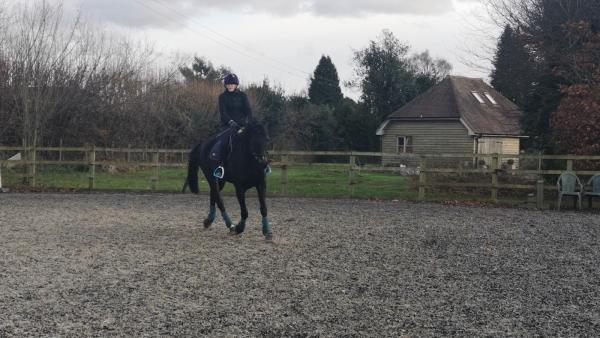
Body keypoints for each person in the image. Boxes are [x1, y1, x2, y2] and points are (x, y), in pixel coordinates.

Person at [211, 73, 252, 178]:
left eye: (232, 84)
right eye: (228, 84)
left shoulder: (243, 96)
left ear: (236, 85)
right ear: (225, 85)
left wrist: (246, 121)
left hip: (242, 125)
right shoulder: (222, 97)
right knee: (224, 142)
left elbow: (248, 110)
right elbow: (223, 113)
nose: (230, 86)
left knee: (256, 139)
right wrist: (231, 122)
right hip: (228, 126)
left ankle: (262, 165)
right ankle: (220, 167)